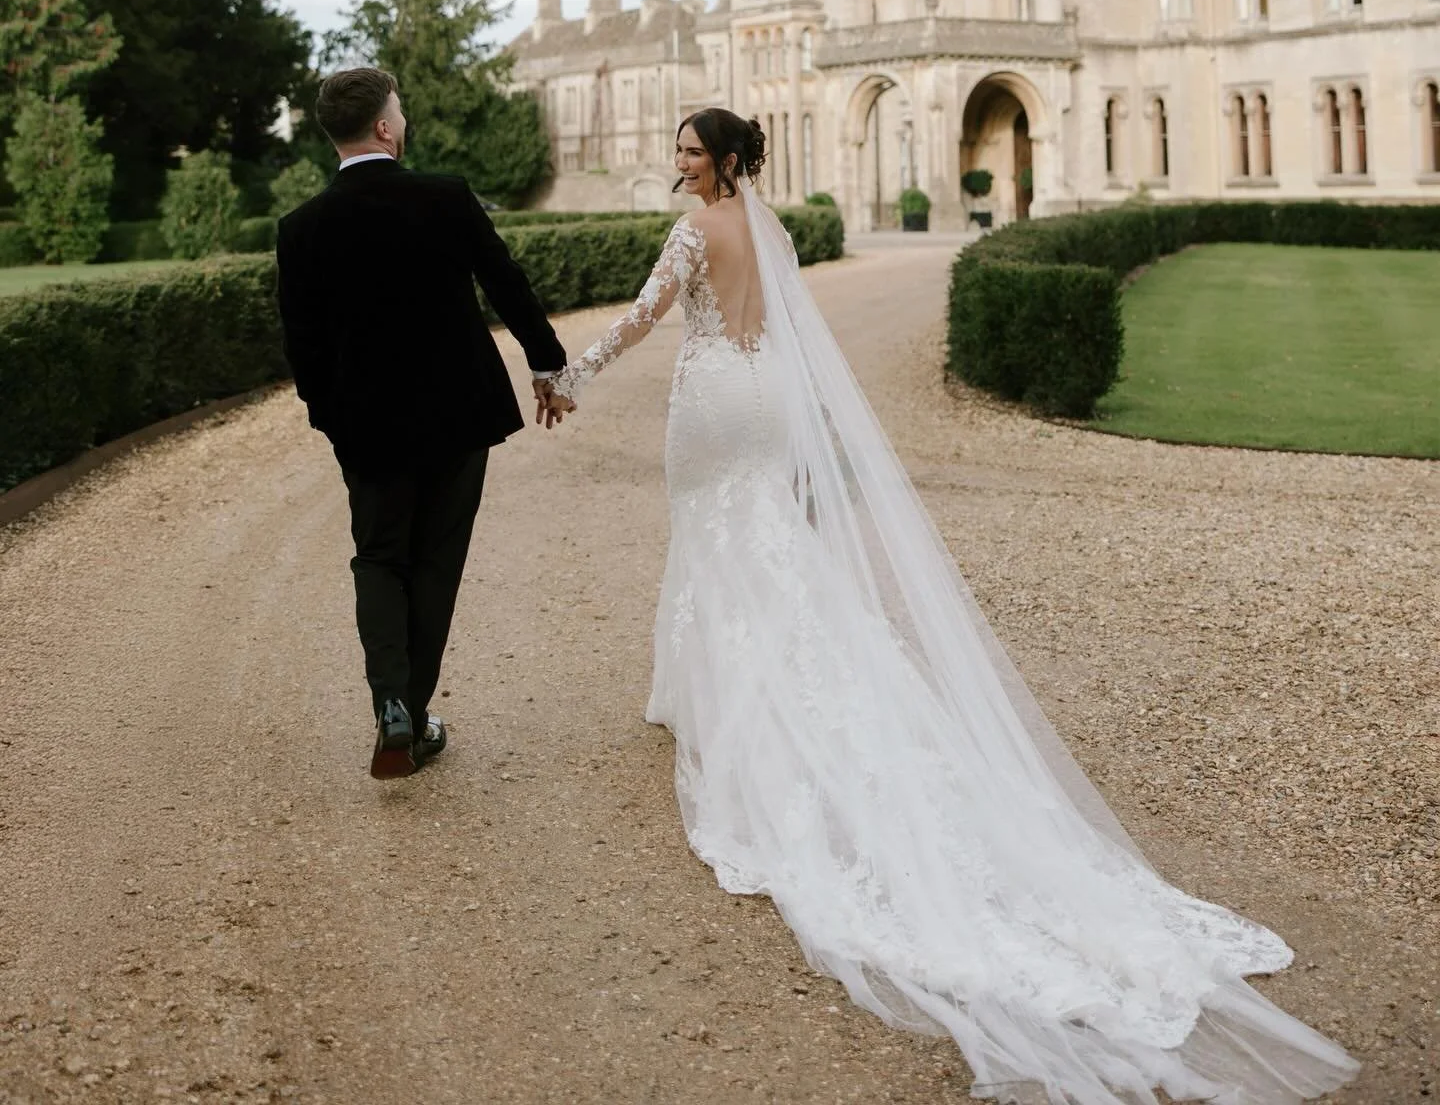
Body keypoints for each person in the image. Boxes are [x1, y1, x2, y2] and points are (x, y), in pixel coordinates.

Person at [547, 107, 1359, 1105]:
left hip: (712, 401)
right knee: (760, 547)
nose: (677, 162)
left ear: (719, 160)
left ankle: (718, 703)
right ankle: (711, 690)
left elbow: (642, 315)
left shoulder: (690, 232)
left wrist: (572, 374)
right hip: (765, 401)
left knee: (716, 546)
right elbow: (796, 338)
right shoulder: (774, 229)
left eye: (688, 150)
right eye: (673, 147)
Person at [276, 66, 572, 780]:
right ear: (383, 125)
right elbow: (507, 282)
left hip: (366, 428)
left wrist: (330, 419)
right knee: (435, 563)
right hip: (457, 413)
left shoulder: (301, 227)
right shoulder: (445, 197)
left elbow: (302, 344)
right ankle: (409, 706)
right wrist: (547, 364)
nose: (402, 119)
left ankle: (391, 707)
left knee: (379, 558)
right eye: (398, 110)